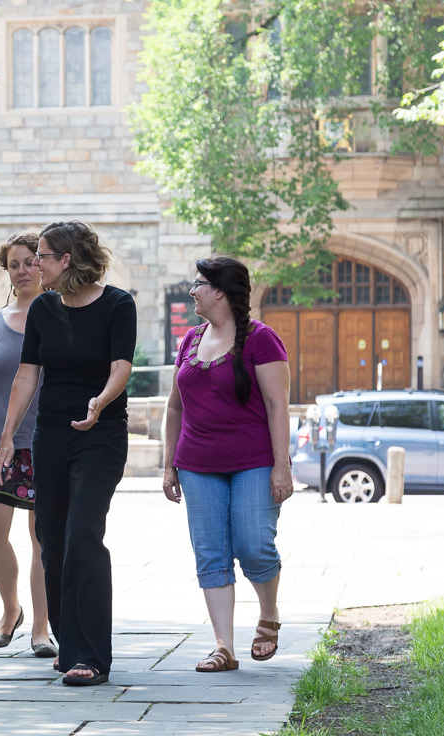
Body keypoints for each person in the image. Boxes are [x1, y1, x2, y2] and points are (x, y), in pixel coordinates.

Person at [0, 220, 136, 686]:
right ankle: (69, 643)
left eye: (42, 256)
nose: (35, 264)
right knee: (52, 542)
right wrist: (6, 436)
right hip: (51, 436)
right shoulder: (43, 310)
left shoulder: (118, 304)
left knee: (82, 536)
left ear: (66, 260)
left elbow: (121, 366)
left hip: (101, 435)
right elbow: (26, 376)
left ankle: (91, 655)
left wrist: (100, 401)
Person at [161, 256, 292, 673]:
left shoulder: (261, 338)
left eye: (199, 284)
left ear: (219, 290)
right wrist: (169, 465)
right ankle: (224, 647)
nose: (192, 290)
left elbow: (277, 405)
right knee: (211, 554)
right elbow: (175, 407)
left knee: (253, 545)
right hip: (198, 464)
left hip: (254, 461)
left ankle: (268, 613)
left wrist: (281, 466)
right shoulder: (190, 339)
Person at [0, 233, 55, 657]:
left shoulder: (60, 317)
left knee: (43, 537)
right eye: (14, 265)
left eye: (30, 262)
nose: (22, 271)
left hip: (46, 442)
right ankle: (10, 609)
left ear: (45, 264)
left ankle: (41, 627)